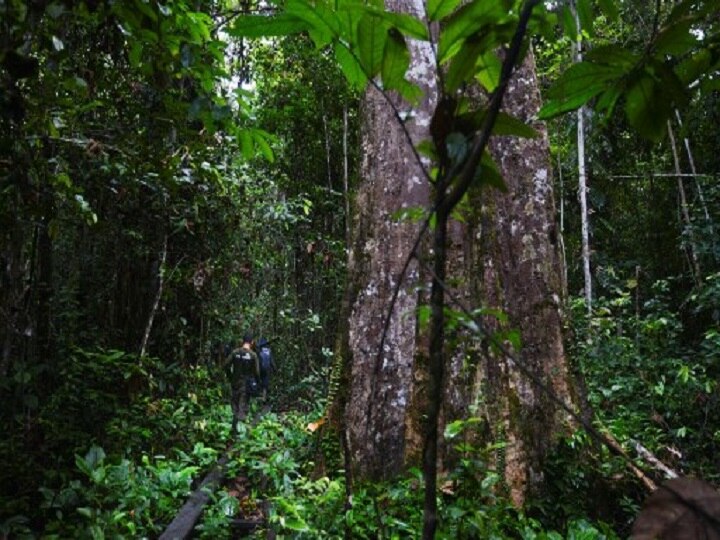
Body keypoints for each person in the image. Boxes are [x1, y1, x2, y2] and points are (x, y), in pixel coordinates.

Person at [224, 333, 260, 433]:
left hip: (235, 382)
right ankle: (239, 432)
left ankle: (234, 427)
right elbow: (256, 372)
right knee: (243, 405)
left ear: (242, 341)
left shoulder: (235, 352)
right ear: (252, 342)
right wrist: (257, 383)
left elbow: (226, 365)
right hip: (246, 384)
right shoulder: (253, 355)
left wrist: (230, 377)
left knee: (235, 404)